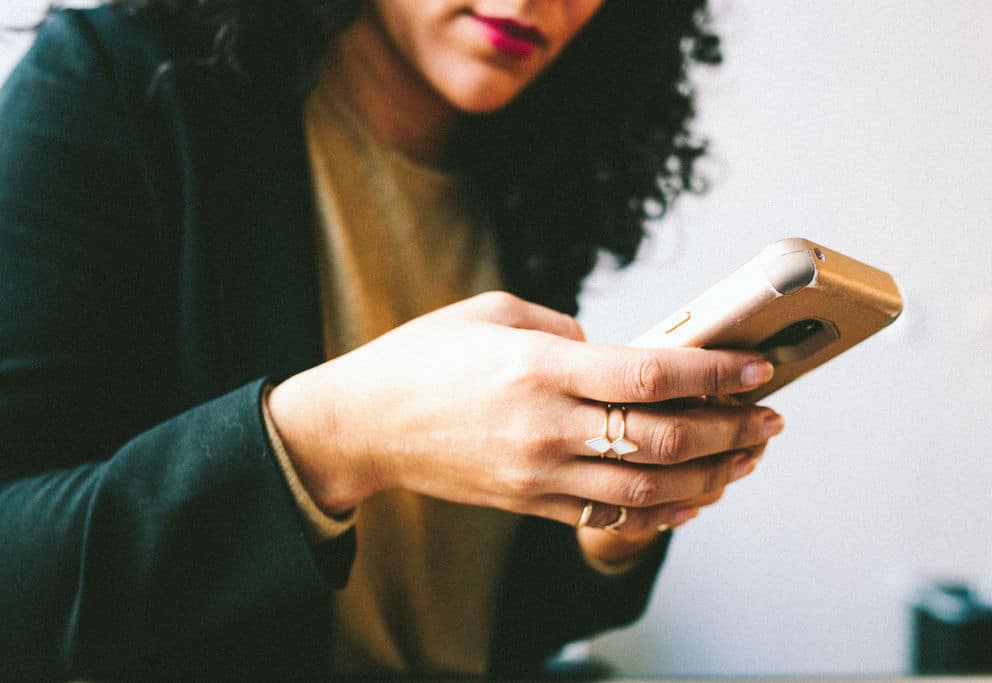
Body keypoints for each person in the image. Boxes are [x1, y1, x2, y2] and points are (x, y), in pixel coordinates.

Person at [0, 0, 785, 679]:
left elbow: (480, 623)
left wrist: (615, 519)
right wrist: (340, 434)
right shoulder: (123, 84)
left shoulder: (528, 167)